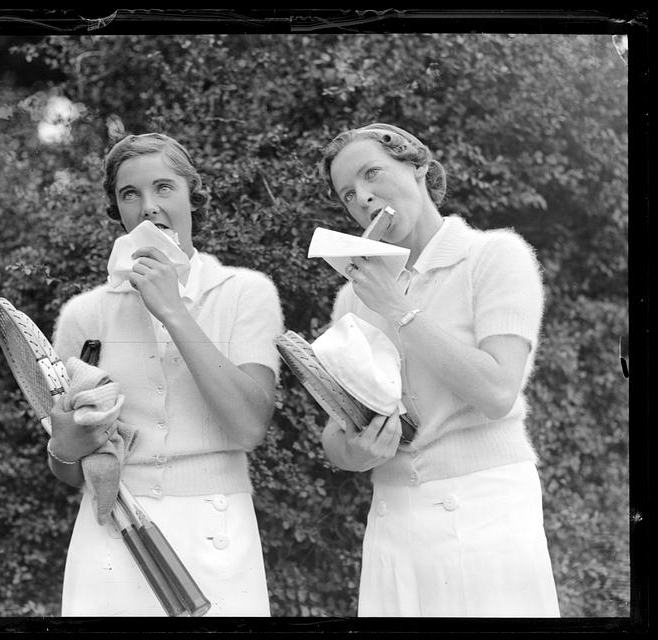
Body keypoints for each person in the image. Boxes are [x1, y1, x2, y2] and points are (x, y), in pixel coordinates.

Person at [317, 122, 560, 617]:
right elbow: (336, 434)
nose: (362, 198)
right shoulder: (353, 297)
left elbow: (496, 391)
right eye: (348, 194)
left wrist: (398, 306)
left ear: (419, 168)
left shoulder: (494, 256)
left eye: (372, 175)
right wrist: (356, 452)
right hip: (392, 523)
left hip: (484, 514)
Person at [46, 132, 283, 616]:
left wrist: (174, 312)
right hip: (110, 536)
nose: (149, 207)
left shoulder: (245, 293)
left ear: (193, 195)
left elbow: (249, 427)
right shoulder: (83, 314)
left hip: (217, 533)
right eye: (129, 194)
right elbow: (67, 471)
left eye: (164, 188)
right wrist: (66, 444)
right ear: (117, 210)